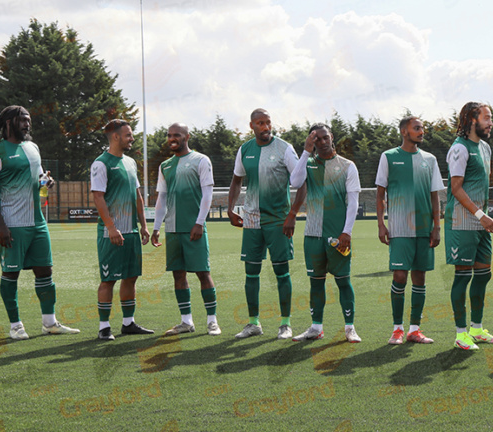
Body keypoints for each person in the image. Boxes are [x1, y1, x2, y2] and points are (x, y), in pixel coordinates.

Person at [0, 105, 79, 340]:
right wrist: (0, 226)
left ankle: (50, 323)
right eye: (22, 120)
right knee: (10, 273)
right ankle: (15, 326)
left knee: (45, 271)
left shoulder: (33, 148)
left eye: (29, 120)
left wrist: (46, 183)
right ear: (8, 123)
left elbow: (39, 179)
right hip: (12, 224)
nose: (27, 124)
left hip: (38, 222)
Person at [228, 109, 306, 340]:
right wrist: (231, 209)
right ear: (251, 125)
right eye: (260, 123)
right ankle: (253, 323)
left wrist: (292, 214)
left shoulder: (284, 148)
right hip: (251, 219)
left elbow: (301, 183)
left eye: (268, 122)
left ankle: (285, 324)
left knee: (281, 272)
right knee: (251, 272)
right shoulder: (245, 150)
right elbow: (236, 180)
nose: (265, 127)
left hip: (278, 220)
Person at [289, 123, 362, 343]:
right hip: (312, 235)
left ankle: (350, 328)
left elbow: (353, 202)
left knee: (343, 281)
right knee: (316, 281)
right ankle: (316, 328)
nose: (321, 142)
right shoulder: (309, 163)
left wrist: (347, 232)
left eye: (324, 137)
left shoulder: (347, 166)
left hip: (338, 235)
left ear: (332, 137)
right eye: (315, 139)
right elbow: (294, 182)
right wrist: (305, 151)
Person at [375, 116, 445, 345]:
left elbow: (435, 196)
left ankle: (415, 330)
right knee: (399, 276)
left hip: (424, 229)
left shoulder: (430, 159)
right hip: (399, 228)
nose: (421, 131)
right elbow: (380, 194)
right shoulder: (388, 157)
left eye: (422, 128)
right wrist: (381, 223)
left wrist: (437, 226)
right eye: (417, 128)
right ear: (404, 132)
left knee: (419, 278)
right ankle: (397, 329)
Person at [150, 123, 219, 336]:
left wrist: (200, 222)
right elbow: (162, 198)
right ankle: (186, 322)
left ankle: (212, 321)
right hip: (172, 229)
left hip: (193, 228)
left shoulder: (201, 160)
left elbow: (208, 194)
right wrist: (156, 227)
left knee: (203, 273)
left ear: (187, 136)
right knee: (178, 274)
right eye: (169, 135)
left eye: (176, 135)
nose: (172, 138)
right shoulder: (165, 166)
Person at [445, 102, 493, 350]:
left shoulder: (486, 148)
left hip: (480, 223)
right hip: (462, 222)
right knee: (462, 277)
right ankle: (460, 334)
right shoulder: (459, 149)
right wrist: (481, 215)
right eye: (487, 118)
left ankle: (476, 329)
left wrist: (482, 217)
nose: (491, 123)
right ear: (471, 119)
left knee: (483, 274)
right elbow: (455, 188)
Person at [90, 119, 153, 340]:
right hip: (111, 233)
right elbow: (98, 197)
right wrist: (111, 227)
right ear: (116, 137)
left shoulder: (130, 163)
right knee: (108, 279)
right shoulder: (101, 163)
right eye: (128, 135)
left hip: (131, 232)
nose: (132, 138)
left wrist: (143, 226)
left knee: (131, 277)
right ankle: (104, 327)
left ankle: (128, 323)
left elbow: (137, 195)